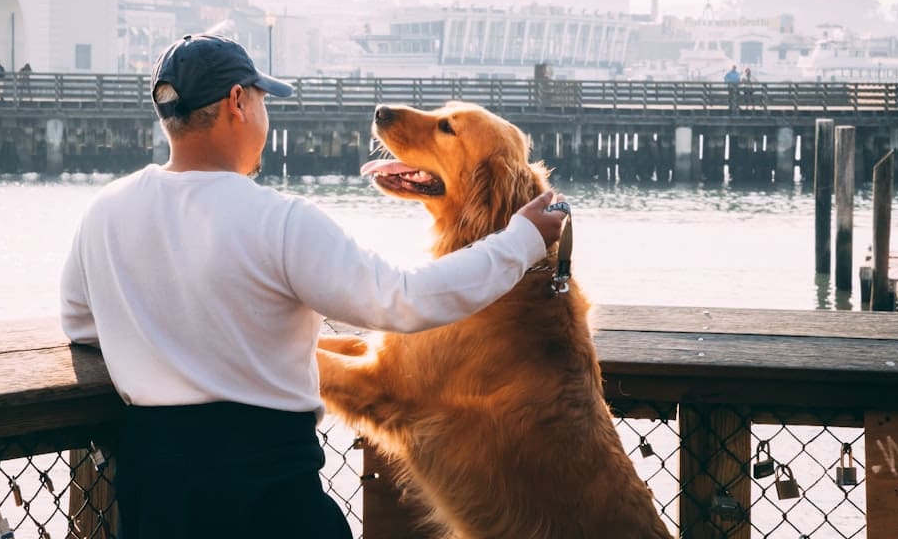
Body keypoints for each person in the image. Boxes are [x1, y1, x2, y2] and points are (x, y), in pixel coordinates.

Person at [60, 34, 570, 539]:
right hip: (266, 485)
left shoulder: (104, 212)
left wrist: (168, 343)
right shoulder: (279, 220)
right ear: (239, 103)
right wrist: (521, 241)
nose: (265, 114)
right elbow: (401, 299)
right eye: (261, 100)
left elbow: (81, 326)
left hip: (155, 489)